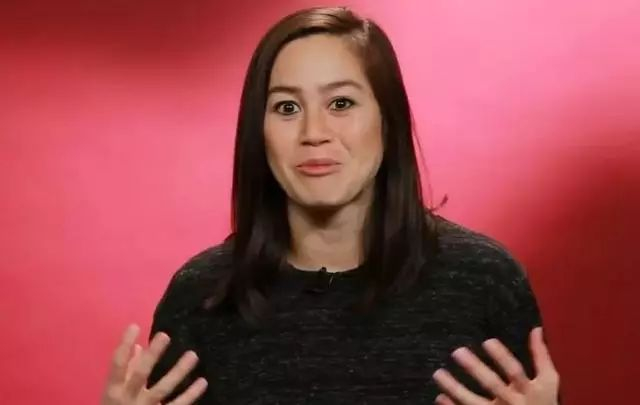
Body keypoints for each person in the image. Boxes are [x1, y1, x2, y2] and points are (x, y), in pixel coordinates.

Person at [101, 6, 561, 405]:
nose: (314, 132)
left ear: (387, 120)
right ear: (259, 132)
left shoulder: (484, 282)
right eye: (287, 108)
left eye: (341, 103)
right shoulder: (200, 297)